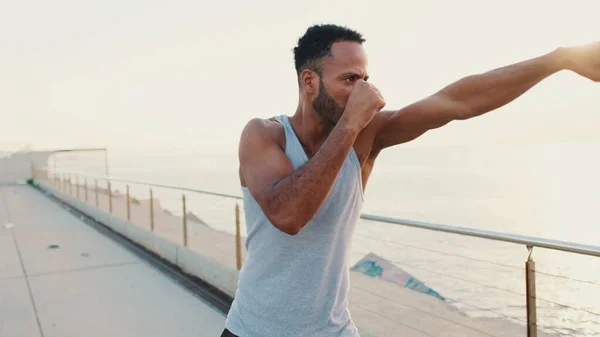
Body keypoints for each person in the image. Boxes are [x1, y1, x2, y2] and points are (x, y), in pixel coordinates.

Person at [222, 24, 599, 337]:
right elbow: (289, 215)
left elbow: (458, 102)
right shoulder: (264, 135)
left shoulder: (370, 135)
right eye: (350, 80)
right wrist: (352, 122)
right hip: (251, 329)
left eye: (366, 79)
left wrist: (558, 60)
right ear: (309, 81)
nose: (365, 92)